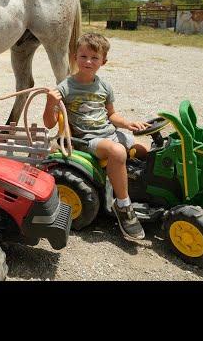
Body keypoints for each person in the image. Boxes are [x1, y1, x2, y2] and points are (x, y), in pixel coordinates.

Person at [43, 33, 149, 240]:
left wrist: (128, 124)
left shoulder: (104, 86)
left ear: (103, 61)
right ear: (75, 57)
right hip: (85, 140)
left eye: (94, 58)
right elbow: (49, 123)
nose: (88, 61)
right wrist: (50, 102)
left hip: (108, 132)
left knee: (147, 149)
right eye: (83, 56)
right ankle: (123, 206)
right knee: (117, 152)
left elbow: (112, 115)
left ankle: (134, 188)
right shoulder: (65, 87)